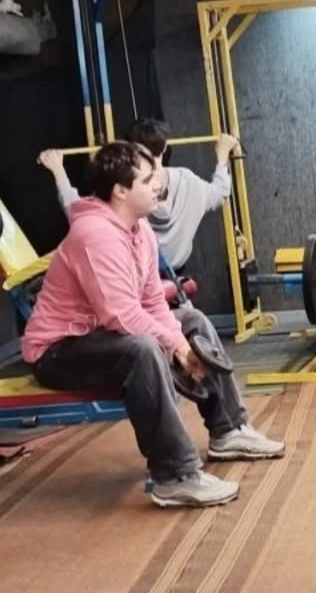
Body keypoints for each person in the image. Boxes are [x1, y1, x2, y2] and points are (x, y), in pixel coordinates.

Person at [21, 141, 283, 509]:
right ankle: (174, 476)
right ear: (120, 191)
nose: (159, 184)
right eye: (147, 180)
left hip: (100, 335)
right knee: (142, 349)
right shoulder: (94, 235)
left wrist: (180, 339)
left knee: (192, 319)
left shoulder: (139, 229)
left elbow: (152, 302)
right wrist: (177, 347)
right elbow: (121, 315)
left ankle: (228, 429)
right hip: (57, 351)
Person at [38, 118, 239, 272]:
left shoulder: (127, 190)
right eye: (148, 181)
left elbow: (80, 214)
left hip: (140, 276)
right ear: (165, 147)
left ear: (131, 151)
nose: (156, 188)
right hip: (172, 271)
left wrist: (59, 171)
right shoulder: (188, 181)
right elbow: (220, 192)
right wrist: (222, 157)